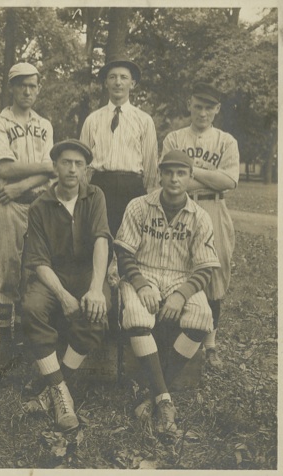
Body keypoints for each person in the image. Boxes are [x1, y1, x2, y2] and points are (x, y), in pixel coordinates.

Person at [114, 149, 220, 434]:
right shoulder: (138, 206)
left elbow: (205, 268)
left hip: (180, 278)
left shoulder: (200, 216)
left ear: (190, 177)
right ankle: (164, 398)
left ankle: (156, 395)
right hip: (143, 272)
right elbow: (124, 254)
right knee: (137, 318)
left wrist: (181, 294)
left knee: (201, 319)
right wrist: (141, 284)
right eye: (169, 172)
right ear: (160, 174)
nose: (174, 178)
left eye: (181, 173)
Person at [21, 139, 112, 432]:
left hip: (88, 274)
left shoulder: (95, 196)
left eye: (79, 164)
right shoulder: (39, 206)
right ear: (55, 166)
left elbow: (101, 240)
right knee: (32, 308)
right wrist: (62, 295)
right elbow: (38, 260)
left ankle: (56, 387)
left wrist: (96, 288)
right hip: (53, 275)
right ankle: (62, 395)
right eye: (66, 162)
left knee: (98, 314)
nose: (72, 169)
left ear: (86, 169)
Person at [161, 82, 239, 369]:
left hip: (213, 205)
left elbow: (229, 181)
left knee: (213, 271)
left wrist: (192, 173)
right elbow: (168, 179)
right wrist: (209, 176)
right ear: (189, 105)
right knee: (177, 267)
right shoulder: (174, 138)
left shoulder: (226, 141)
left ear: (217, 109)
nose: (203, 112)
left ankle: (210, 345)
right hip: (179, 207)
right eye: (198, 105)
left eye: (209, 107)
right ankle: (180, 336)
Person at [0, 62, 54, 372]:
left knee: (35, 269)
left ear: (38, 89)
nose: (27, 91)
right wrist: (40, 170)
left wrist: (23, 185)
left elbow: (50, 173)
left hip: (36, 204)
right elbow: (5, 169)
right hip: (6, 206)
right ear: (11, 87)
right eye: (21, 85)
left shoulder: (45, 124)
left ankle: (28, 339)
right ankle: (4, 341)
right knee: (6, 270)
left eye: (32, 85)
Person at [80, 55, 159, 237]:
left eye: (123, 77)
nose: (118, 82)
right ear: (106, 83)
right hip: (100, 186)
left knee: (129, 244)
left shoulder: (144, 120)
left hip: (132, 188)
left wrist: (144, 194)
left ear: (132, 84)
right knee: (99, 241)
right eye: (112, 77)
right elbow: (82, 163)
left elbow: (149, 164)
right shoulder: (93, 120)